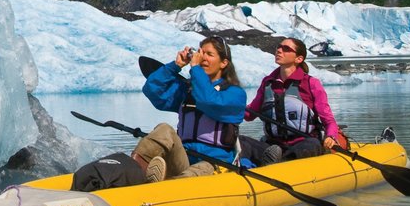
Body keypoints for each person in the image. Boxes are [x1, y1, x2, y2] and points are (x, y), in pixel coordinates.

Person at [131, 37, 247, 183]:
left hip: (214, 163)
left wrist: (196, 69)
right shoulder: (188, 91)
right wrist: (175, 65)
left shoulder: (235, 94)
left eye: (209, 54)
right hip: (185, 157)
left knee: (192, 175)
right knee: (164, 129)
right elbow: (152, 90)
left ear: (224, 63)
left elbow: (208, 100)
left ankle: (170, 187)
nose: (202, 58)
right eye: (200, 52)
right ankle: (134, 172)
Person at [240, 37, 341, 165]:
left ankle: (279, 163)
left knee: (311, 144)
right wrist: (225, 107)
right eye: (279, 47)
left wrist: (331, 136)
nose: (279, 50)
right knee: (242, 141)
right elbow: (249, 114)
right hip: (272, 145)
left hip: (303, 142)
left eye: (286, 49)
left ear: (299, 59)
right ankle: (270, 160)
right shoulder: (268, 83)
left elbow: (329, 120)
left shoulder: (311, 83)